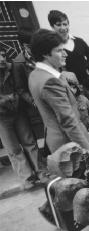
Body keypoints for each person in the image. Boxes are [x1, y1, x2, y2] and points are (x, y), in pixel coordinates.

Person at [28, 29, 89, 153]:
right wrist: (88, 149)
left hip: (58, 138)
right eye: (59, 50)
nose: (65, 54)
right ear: (45, 54)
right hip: (69, 145)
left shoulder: (35, 74)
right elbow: (68, 122)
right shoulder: (50, 81)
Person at [0, 48, 41, 189]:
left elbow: (20, 86)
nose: (1, 59)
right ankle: (27, 177)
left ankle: (40, 171)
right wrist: (5, 100)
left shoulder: (13, 68)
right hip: (1, 118)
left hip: (18, 112)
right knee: (13, 148)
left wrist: (16, 98)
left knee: (29, 142)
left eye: (3, 54)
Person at [47, 10, 89, 84]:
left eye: (65, 24)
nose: (63, 28)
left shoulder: (79, 41)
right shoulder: (51, 46)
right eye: (59, 25)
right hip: (71, 85)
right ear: (52, 26)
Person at [64, 73, 89, 139]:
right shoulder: (63, 103)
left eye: (74, 87)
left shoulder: (83, 99)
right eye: (69, 87)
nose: (72, 90)